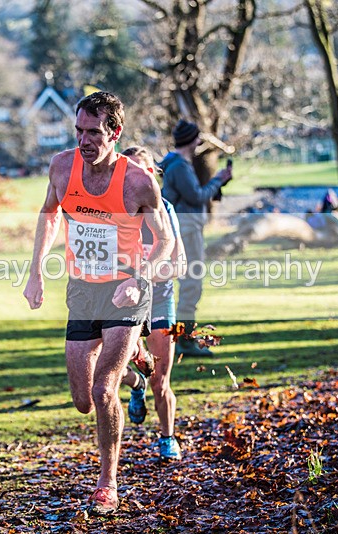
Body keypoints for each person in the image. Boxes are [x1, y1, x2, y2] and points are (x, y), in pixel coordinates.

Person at [23, 91, 175, 515]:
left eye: (93, 132)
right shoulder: (61, 167)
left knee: (103, 388)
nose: (83, 140)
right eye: (79, 131)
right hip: (82, 290)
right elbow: (50, 214)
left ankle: (107, 483)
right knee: (83, 400)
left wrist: (141, 279)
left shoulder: (138, 182)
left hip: (126, 289)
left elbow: (164, 240)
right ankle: (135, 371)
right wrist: (35, 271)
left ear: (115, 132)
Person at [120, 146, 187, 461]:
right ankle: (136, 384)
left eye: (144, 170)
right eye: (129, 171)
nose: (138, 177)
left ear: (153, 174)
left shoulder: (165, 209)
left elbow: (180, 264)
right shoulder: (114, 210)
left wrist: (146, 275)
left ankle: (167, 438)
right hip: (124, 301)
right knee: (115, 367)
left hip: (159, 298)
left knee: (161, 380)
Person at [160, 119, 232, 357]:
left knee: (188, 286)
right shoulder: (180, 166)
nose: (200, 141)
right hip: (188, 229)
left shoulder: (175, 164)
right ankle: (184, 342)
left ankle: (180, 339)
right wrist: (218, 180)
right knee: (191, 285)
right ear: (191, 140)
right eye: (197, 137)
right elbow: (197, 196)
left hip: (185, 228)